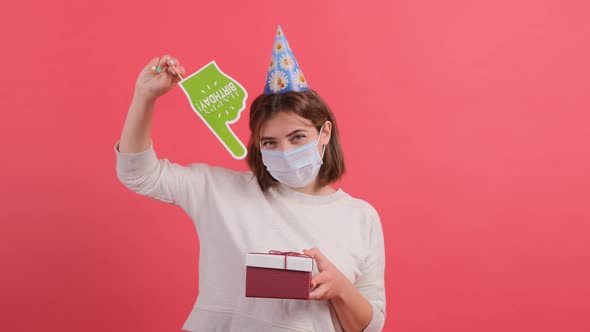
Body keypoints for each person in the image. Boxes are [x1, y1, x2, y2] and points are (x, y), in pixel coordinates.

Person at [114, 27, 385, 332]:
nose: (284, 150)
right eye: (270, 142)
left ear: (324, 133)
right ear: (257, 144)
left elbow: (369, 326)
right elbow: (138, 173)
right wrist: (144, 96)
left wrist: (340, 288)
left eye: (297, 138)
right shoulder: (219, 191)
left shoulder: (360, 217)